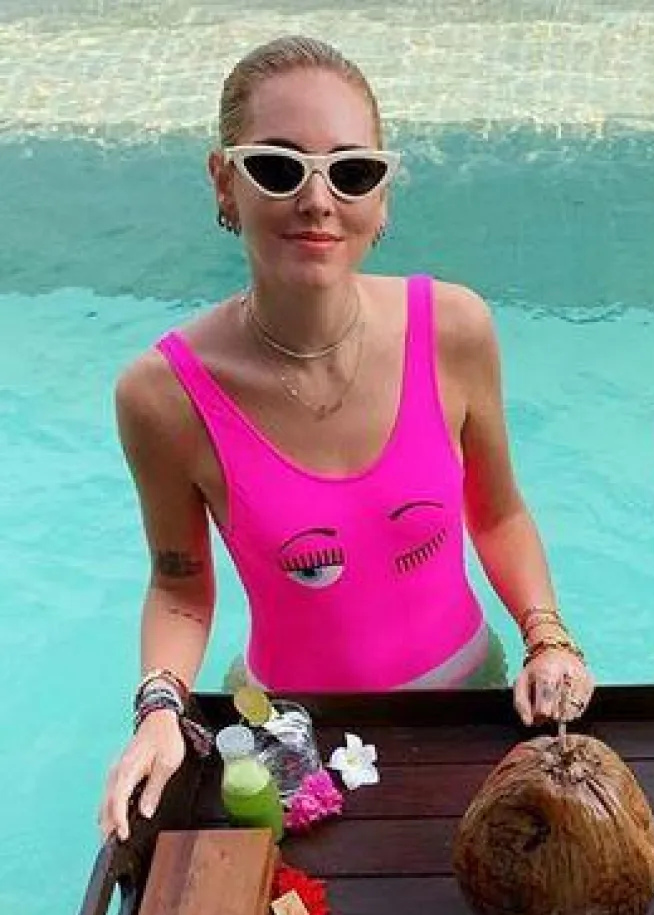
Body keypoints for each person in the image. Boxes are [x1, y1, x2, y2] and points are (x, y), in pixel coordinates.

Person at [99, 35, 592, 842]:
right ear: (224, 182)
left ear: (383, 197)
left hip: (468, 696)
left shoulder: (454, 328)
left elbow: (499, 514)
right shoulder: (161, 396)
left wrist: (548, 636)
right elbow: (181, 585)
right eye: (278, 167)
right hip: (290, 734)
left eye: (352, 171)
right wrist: (159, 708)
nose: (317, 199)